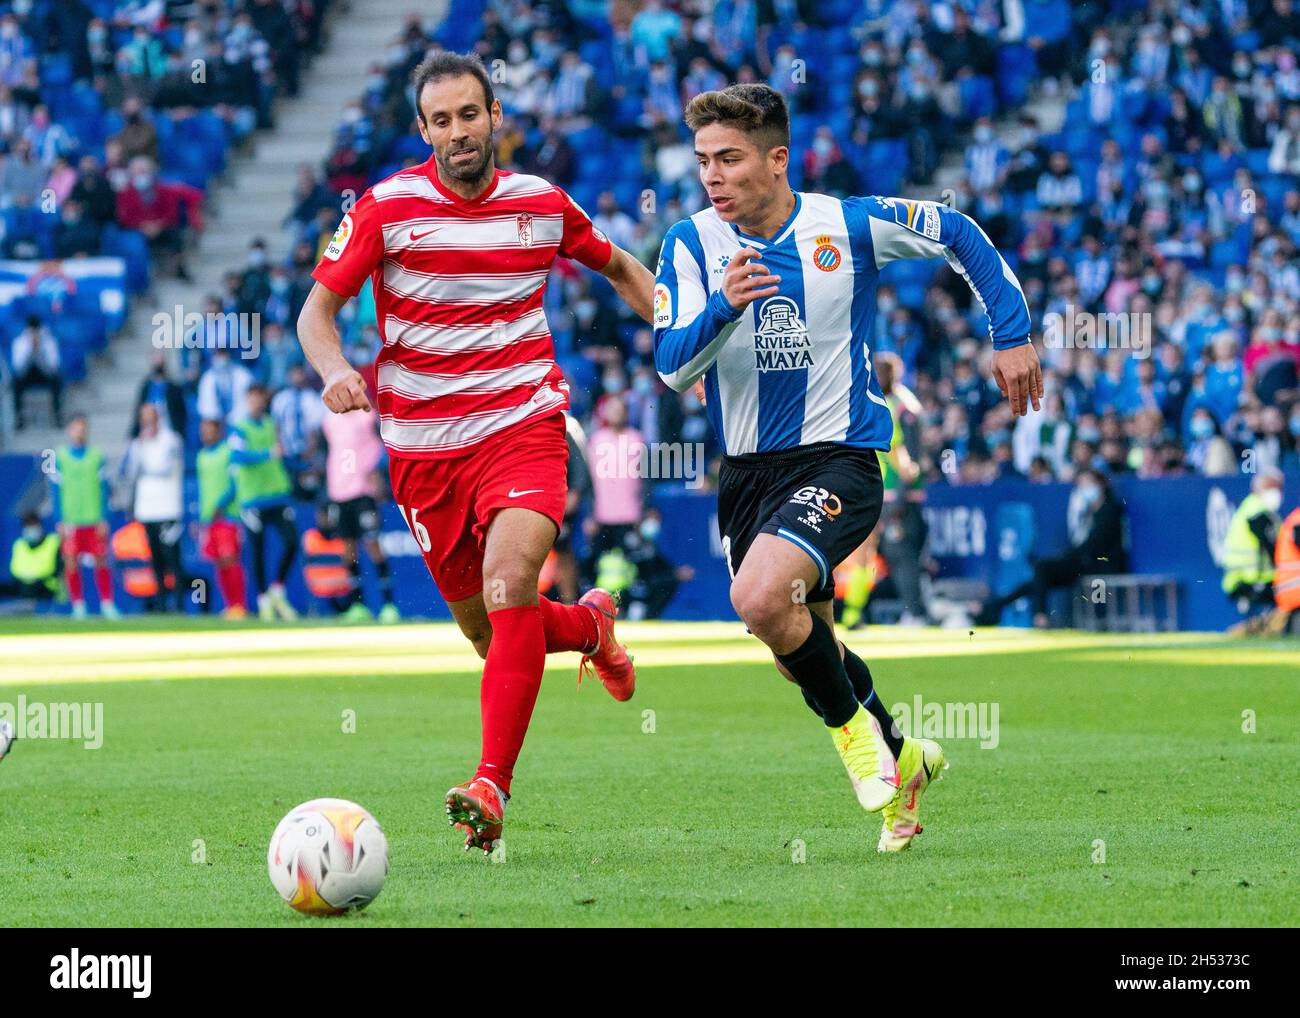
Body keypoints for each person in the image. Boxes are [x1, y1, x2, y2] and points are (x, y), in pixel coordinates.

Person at [652, 83, 1041, 853]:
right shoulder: (690, 245)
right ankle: (907, 758)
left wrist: (1012, 332)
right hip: (746, 476)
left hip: (841, 458)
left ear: (777, 159)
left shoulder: (848, 225)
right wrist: (723, 306)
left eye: (730, 159)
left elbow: (958, 231)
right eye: (703, 162)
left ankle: (859, 749)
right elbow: (670, 366)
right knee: (801, 655)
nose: (713, 177)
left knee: (760, 600)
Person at [295, 52, 656, 854]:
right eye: (442, 120)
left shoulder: (542, 204)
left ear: (496, 115)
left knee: (509, 584)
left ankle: (491, 784)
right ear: (423, 131)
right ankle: (590, 628)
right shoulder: (387, 208)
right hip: (424, 456)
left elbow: (623, 268)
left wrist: (681, 346)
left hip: (524, 425)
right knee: (492, 633)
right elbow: (315, 314)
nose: (459, 132)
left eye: (470, 114)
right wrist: (334, 369)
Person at [976, 468, 1128, 627]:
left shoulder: (1110, 510)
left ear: (1101, 485)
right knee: (1040, 576)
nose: (1084, 489)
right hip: (1083, 563)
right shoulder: (1087, 513)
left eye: (1087, 483)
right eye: (1081, 484)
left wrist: (1069, 556)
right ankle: (998, 607)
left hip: (1101, 565)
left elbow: (1095, 545)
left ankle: (1015, 611)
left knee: (1042, 570)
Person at [320, 402, 399, 622]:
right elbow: (329, 453)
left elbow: (385, 443)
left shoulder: (366, 415)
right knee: (348, 549)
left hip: (364, 492)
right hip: (339, 494)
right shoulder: (329, 421)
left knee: (374, 546)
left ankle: (388, 605)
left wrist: (377, 470)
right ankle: (358, 605)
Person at [230, 385, 299, 621]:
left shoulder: (271, 423)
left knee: (292, 542)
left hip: (277, 494)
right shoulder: (240, 428)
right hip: (253, 499)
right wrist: (267, 454)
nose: (257, 402)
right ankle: (263, 601)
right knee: (256, 551)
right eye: (253, 398)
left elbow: (282, 453)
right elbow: (237, 457)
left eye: (260, 397)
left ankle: (277, 590)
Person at [121, 404, 186, 613]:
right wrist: (139, 447)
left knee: (172, 557)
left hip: (168, 508)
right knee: (155, 558)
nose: (147, 422)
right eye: (144, 418)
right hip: (146, 509)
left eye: (151, 417)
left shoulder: (171, 439)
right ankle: (160, 603)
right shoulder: (137, 444)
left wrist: (144, 457)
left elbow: (163, 468)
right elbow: (131, 473)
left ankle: (178, 603)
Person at [53, 415, 118, 619]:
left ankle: (107, 604)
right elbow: (55, 490)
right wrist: (59, 519)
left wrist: (103, 517)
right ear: (69, 430)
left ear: (87, 430)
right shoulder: (59, 457)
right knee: (71, 561)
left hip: (93, 517)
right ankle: (78, 606)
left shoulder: (97, 456)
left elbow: (104, 489)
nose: (79, 432)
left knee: (101, 561)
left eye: (82, 428)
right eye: (75, 428)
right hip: (71, 519)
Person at [195, 418, 248, 619]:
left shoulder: (229, 453)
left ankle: (239, 604)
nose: (206, 434)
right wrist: (201, 518)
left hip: (228, 516)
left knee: (230, 559)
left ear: (218, 431)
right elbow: (203, 490)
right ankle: (230, 606)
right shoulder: (200, 456)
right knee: (218, 562)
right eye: (203, 430)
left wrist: (221, 504)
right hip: (209, 519)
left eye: (210, 430)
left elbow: (236, 483)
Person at [1221, 468, 1286, 615]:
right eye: (1274, 487)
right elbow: (1273, 548)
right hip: (1250, 580)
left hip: (1246, 578)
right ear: (1260, 488)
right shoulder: (1256, 512)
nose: (1278, 493)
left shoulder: (1251, 508)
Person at [10, 314, 61, 430]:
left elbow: (53, 367)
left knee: (57, 379)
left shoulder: (49, 342)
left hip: (44, 373)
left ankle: (57, 416)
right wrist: (30, 350)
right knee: (16, 382)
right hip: (26, 374)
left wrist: (39, 351)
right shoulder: (19, 342)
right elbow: (18, 368)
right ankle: (19, 419)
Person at [1, 513, 62, 604]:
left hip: (45, 585)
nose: (31, 529)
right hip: (22, 584)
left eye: (33, 525)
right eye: (28, 526)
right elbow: (14, 570)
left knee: (34, 588)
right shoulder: (19, 544)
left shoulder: (53, 541)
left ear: (40, 526)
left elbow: (58, 569)